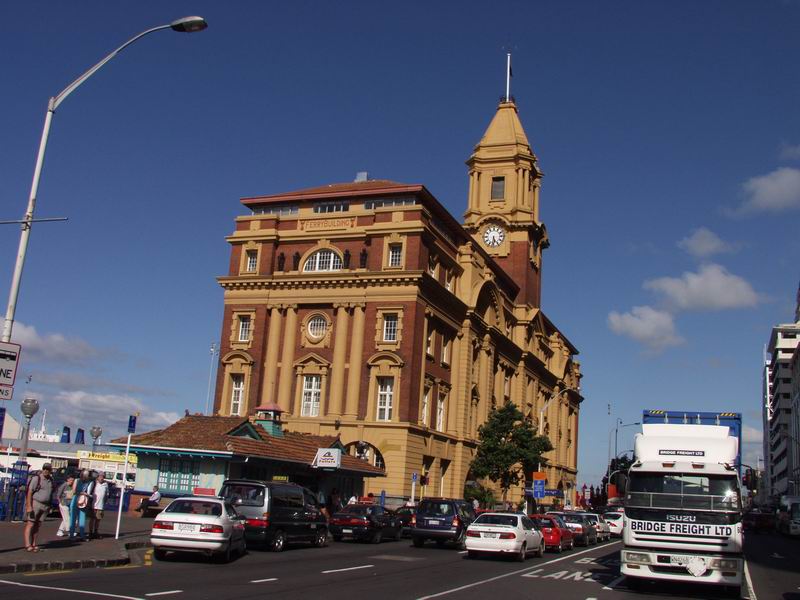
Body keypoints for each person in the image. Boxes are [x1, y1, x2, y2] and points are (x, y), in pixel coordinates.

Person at [24, 463, 54, 552]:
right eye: (44, 469)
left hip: (45, 505)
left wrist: (50, 506)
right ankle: (27, 544)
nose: (46, 471)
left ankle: (34, 543)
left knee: (38, 525)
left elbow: (51, 493)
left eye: (48, 469)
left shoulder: (51, 480)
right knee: (31, 524)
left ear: (50, 471)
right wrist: (29, 506)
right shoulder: (37, 479)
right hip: (36, 503)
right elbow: (29, 492)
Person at [70, 470, 93, 541]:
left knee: (82, 519)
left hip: (83, 501)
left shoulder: (89, 482)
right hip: (75, 499)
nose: (85, 477)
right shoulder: (77, 480)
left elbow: (89, 492)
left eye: (87, 476)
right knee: (73, 519)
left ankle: (82, 535)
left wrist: (86, 494)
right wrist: (82, 493)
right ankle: (71, 535)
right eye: (85, 476)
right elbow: (73, 491)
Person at [90, 472, 109, 539]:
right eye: (100, 476)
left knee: (98, 519)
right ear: (98, 477)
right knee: (92, 519)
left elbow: (107, 494)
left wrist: (105, 502)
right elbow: (90, 492)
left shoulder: (106, 484)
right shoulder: (94, 483)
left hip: (101, 505)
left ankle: (95, 532)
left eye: (103, 476)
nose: (102, 477)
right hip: (93, 504)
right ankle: (90, 532)